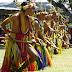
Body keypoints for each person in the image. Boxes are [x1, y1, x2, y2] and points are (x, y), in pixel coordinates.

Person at [1, 1, 38, 72]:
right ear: (26, 9)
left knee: (34, 56)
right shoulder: (15, 17)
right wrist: (9, 35)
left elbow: (31, 31)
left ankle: (20, 70)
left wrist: (33, 38)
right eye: (32, 9)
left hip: (24, 40)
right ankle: (13, 70)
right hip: (14, 40)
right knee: (17, 55)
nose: (33, 11)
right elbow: (3, 24)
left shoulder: (29, 19)